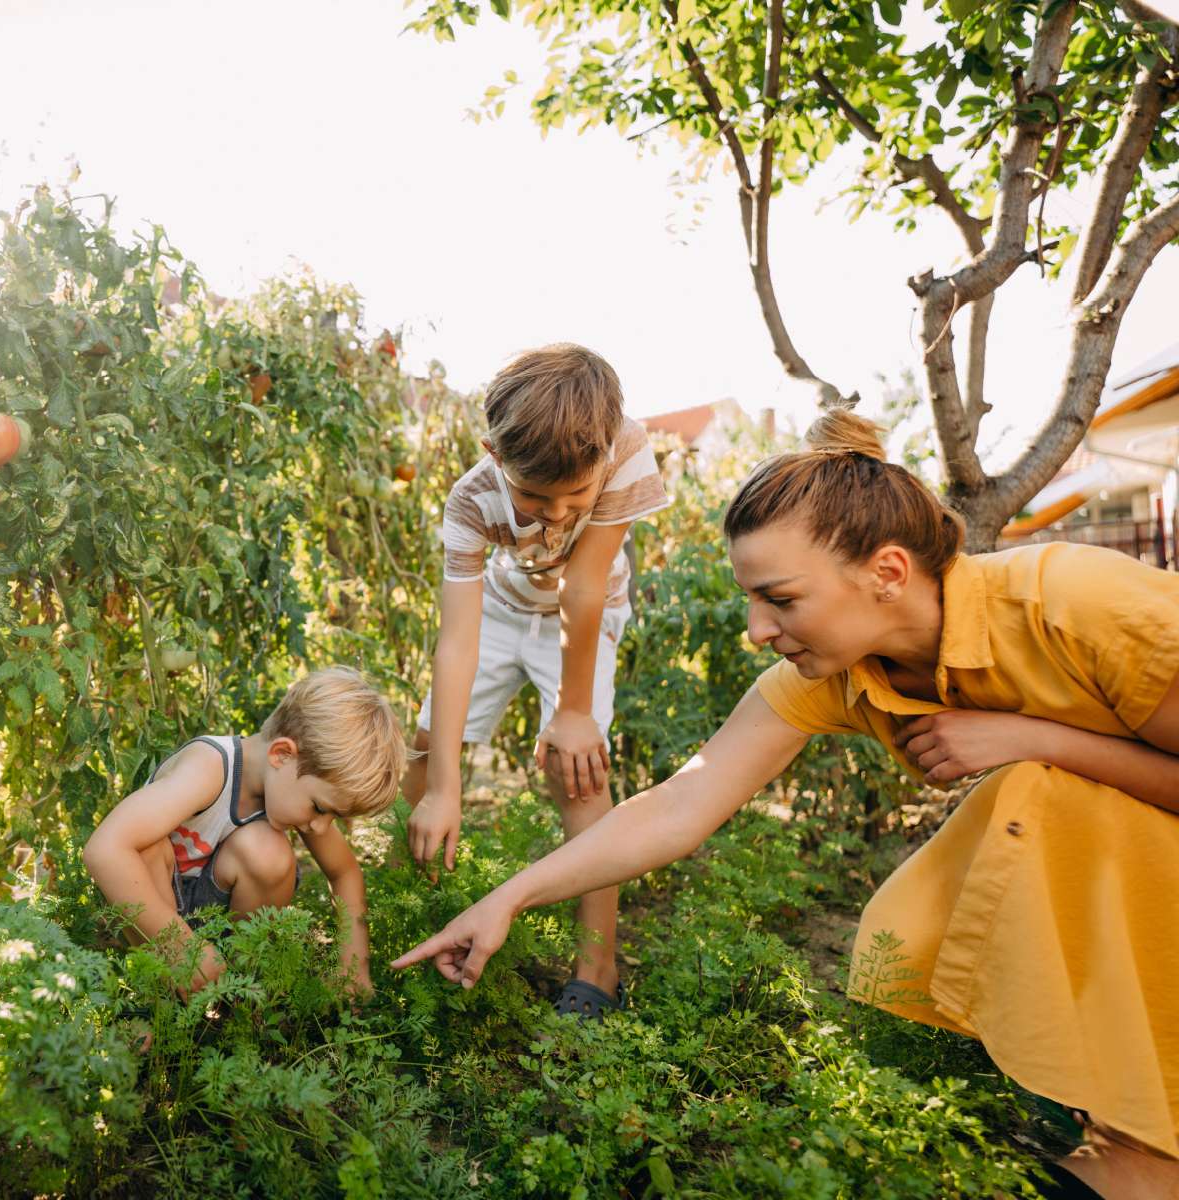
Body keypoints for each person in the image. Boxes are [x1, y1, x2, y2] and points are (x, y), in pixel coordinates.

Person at [394, 409, 1179, 1198]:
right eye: (750, 600)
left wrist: (1033, 739)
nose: (755, 630)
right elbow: (682, 803)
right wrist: (512, 896)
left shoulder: (1070, 601)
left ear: (888, 573)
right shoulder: (834, 673)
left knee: (1031, 798)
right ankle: (1116, 1128)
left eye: (780, 599)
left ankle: (1145, 1150)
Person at [404, 343, 669, 1017]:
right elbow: (458, 640)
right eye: (532, 495)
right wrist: (444, 785)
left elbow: (584, 587)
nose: (554, 514)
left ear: (604, 455)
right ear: (495, 455)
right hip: (499, 608)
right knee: (424, 747)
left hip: (589, 611)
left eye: (572, 496)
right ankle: (415, 905)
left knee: (578, 768)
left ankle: (597, 968)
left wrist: (573, 714)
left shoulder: (627, 448)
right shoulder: (470, 502)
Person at [84, 667, 407, 996]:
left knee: (268, 851)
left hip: (207, 925)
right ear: (282, 755)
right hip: (151, 917)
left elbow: (345, 873)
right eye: (321, 809)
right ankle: (156, 998)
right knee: (146, 846)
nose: (320, 826)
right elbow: (105, 849)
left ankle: (233, 993)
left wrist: (354, 968)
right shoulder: (209, 769)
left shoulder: (294, 787)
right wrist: (179, 944)